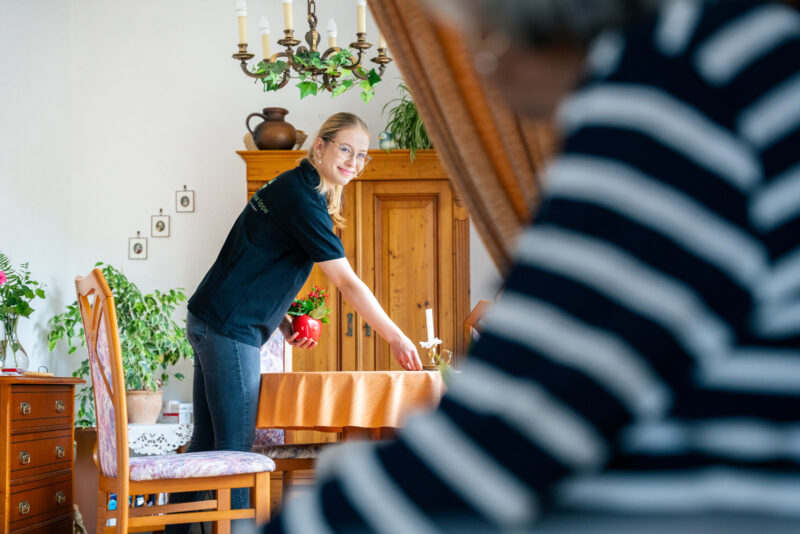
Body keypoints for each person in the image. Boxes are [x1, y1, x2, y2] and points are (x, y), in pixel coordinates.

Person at [258, 0, 800, 532]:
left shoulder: (677, 76)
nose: (478, 65)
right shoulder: (724, 50)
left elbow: (505, 434)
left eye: (482, 37)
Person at [166, 112, 423, 533]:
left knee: (206, 446)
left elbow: (251, 263)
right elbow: (347, 283)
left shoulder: (293, 187)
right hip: (230, 330)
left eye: (362, 156)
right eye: (346, 150)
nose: (354, 163)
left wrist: (283, 319)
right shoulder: (303, 199)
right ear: (319, 146)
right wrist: (395, 336)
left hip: (212, 318)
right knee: (236, 456)